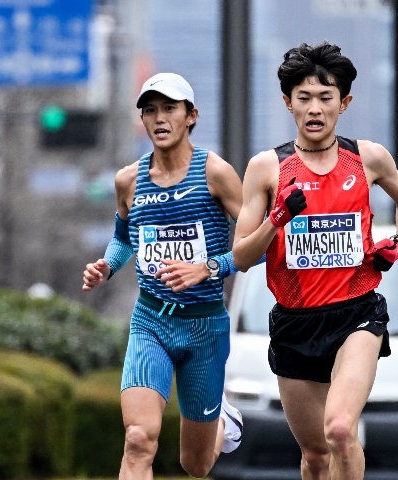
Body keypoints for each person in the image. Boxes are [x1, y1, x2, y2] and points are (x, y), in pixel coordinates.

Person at [231, 42, 398, 480]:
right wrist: (275, 221)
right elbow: (241, 257)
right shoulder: (266, 168)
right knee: (316, 455)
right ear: (287, 103)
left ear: (344, 102)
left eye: (325, 97)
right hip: (295, 323)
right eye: (304, 98)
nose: (314, 109)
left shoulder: (368, 157)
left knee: (339, 429)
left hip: (356, 316)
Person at [81, 72, 244, 479]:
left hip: (205, 325)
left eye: (170, 108)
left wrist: (207, 268)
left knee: (196, 464)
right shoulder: (128, 180)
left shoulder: (216, 172)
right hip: (151, 320)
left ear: (191, 116)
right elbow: (123, 238)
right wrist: (107, 265)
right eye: (150, 110)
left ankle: (223, 420)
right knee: (138, 438)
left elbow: (255, 247)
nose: (159, 118)